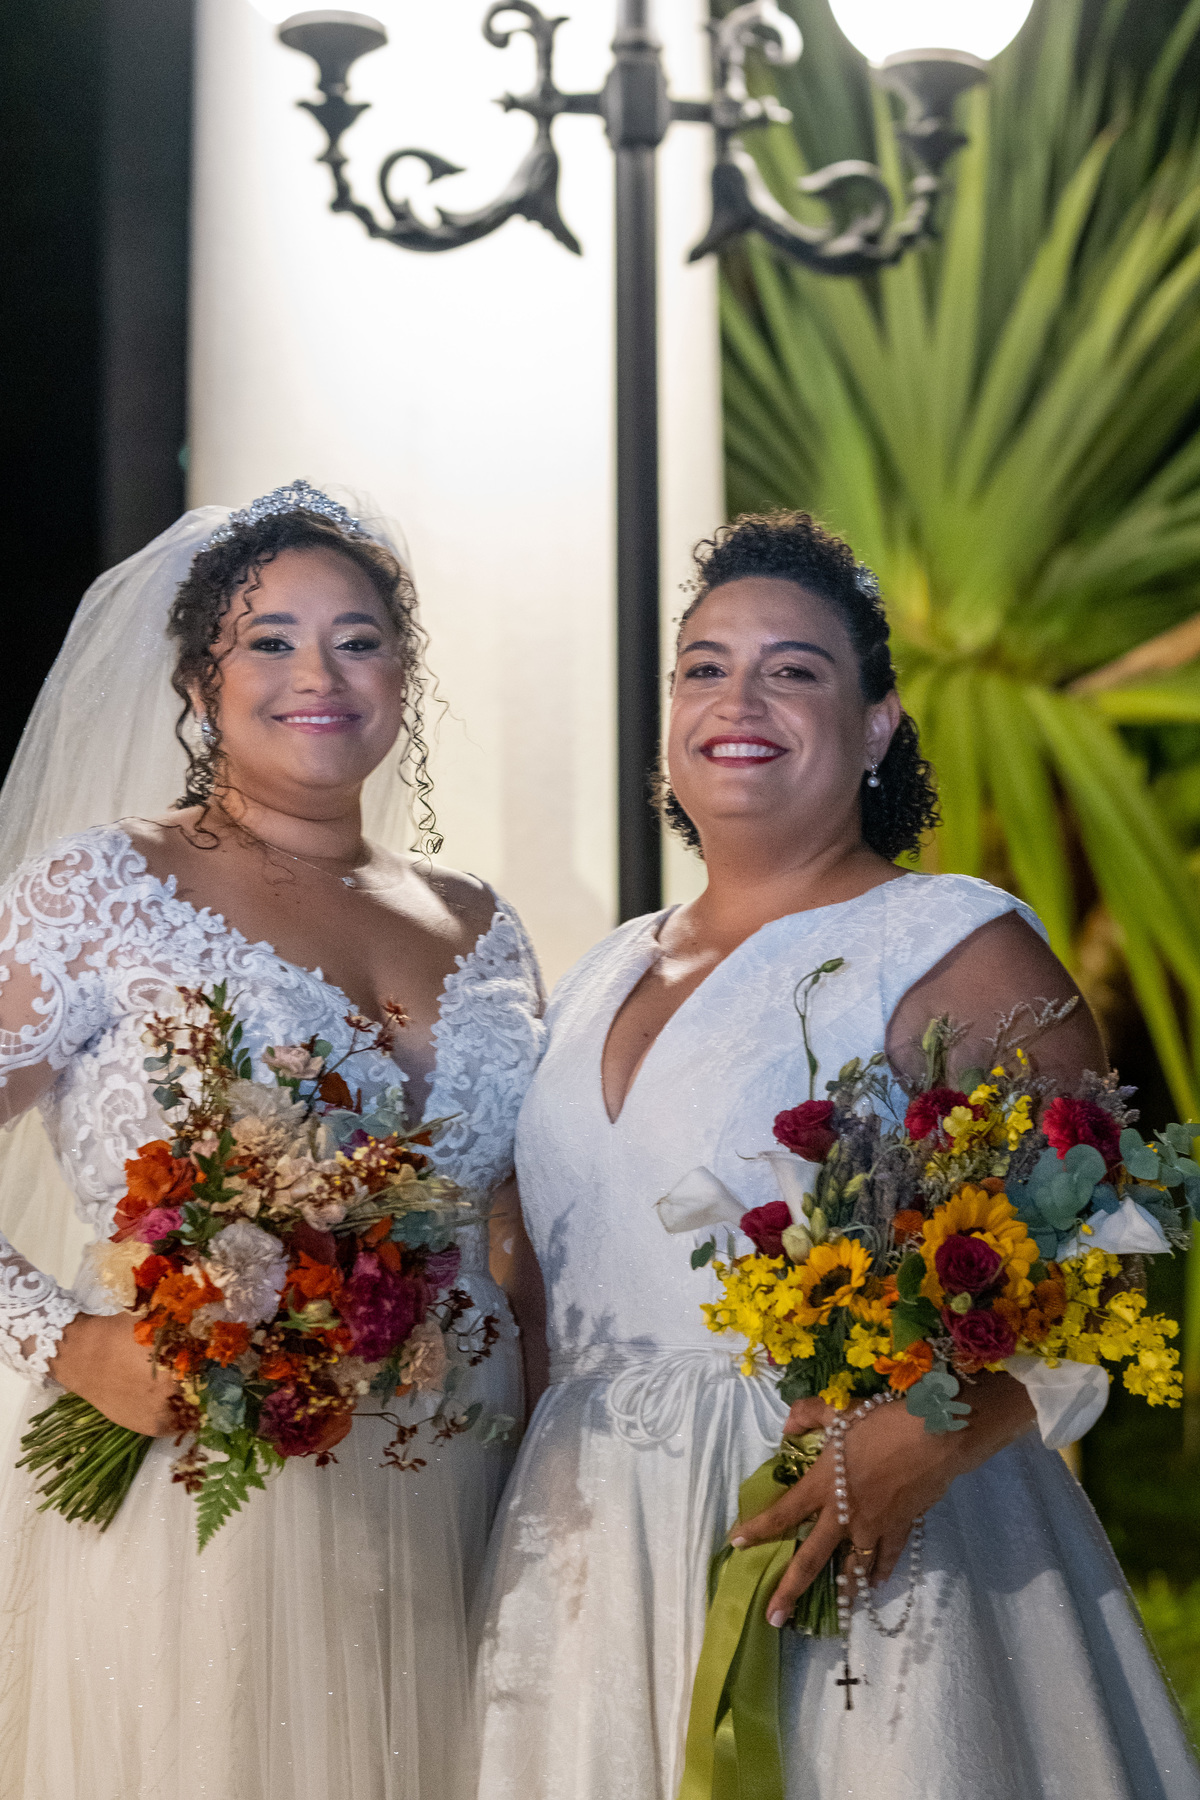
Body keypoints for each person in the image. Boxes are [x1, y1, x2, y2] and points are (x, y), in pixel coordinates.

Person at [474, 511, 1199, 1800]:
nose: (737, 699)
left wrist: (931, 1437)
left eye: (792, 670)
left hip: (865, 1534)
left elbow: (1108, 1260)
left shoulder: (957, 943)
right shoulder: (599, 973)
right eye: (704, 667)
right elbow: (535, 1287)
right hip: (588, 1552)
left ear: (874, 727)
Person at [0, 482, 545, 1800]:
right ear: (199, 680)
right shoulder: (100, 889)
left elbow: (520, 1221)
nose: (319, 675)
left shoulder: (481, 921)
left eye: (358, 640)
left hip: (461, 1483)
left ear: (402, 675)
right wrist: (69, 1344)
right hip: (205, 1473)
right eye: (270, 640)